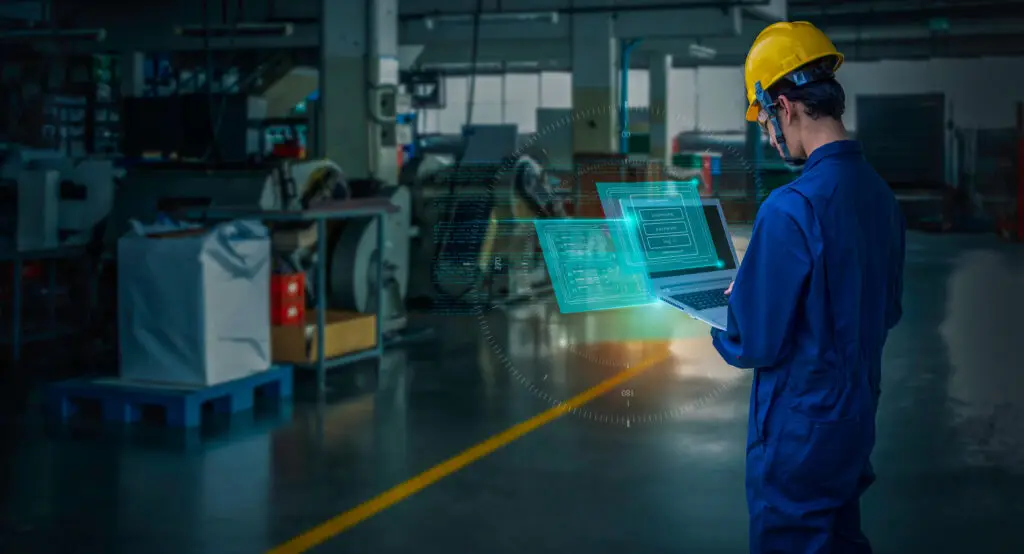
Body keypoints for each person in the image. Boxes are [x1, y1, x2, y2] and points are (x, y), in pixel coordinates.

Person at [710, 22, 906, 553]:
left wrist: (733, 308)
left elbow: (753, 342)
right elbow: (887, 310)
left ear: (783, 107)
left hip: (799, 430)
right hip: (854, 417)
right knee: (840, 538)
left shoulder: (790, 208)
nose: (771, 134)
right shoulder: (880, 196)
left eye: (767, 119)